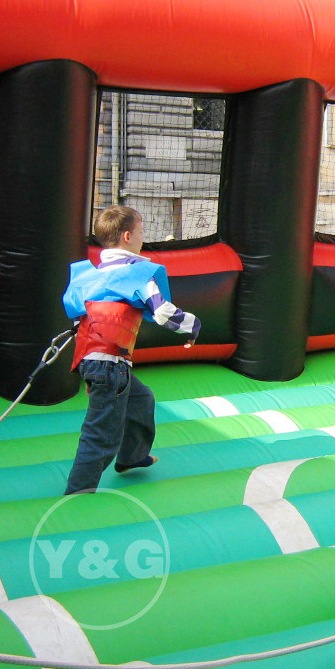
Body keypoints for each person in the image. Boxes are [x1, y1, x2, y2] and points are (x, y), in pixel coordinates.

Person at [61, 205, 200, 495]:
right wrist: (192, 325)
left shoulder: (89, 276)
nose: (142, 237)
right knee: (101, 434)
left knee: (141, 398)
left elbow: (79, 321)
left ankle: (132, 457)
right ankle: (78, 493)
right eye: (141, 231)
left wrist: (90, 368)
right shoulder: (137, 274)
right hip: (110, 365)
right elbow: (163, 312)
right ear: (127, 236)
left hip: (95, 361)